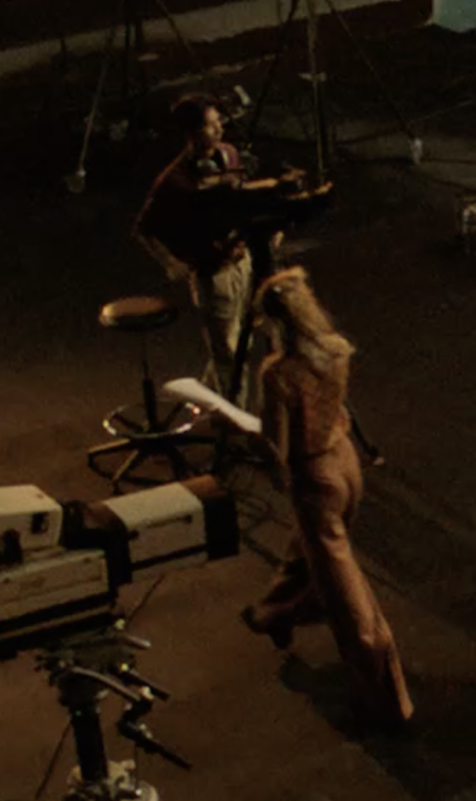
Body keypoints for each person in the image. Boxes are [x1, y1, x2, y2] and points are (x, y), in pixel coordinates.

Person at [238, 268, 414, 727]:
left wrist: (242, 431)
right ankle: (274, 612)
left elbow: (275, 444)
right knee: (310, 550)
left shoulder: (278, 373)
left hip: (314, 478)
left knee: (349, 601)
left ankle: (385, 702)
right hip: (346, 462)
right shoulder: (335, 352)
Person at [136, 93, 258, 409]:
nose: (219, 129)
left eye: (219, 122)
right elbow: (144, 228)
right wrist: (169, 262)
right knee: (229, 356)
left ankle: (203, 400)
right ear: (191, 133)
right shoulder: (174, 181)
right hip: (212, 274)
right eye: (210, 125)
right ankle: (234, 420)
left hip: (242, 263)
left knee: (236, 344)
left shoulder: (229, 155)